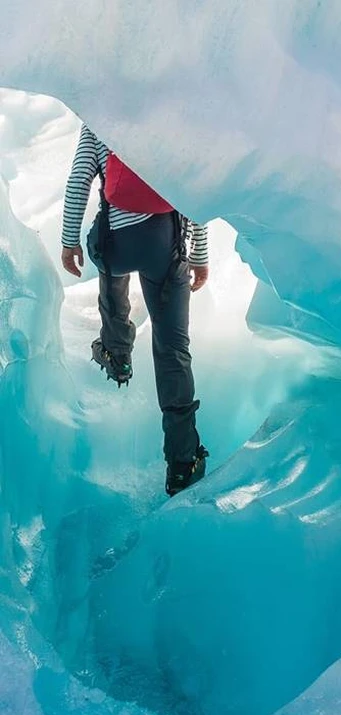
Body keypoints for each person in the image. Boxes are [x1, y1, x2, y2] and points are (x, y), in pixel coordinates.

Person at [60, 124, 210, 496]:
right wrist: (200, 254)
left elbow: (80, 178)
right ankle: (182, 462)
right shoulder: (175, 113)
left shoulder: (99, 115)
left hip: (117, 245)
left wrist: (68, 241)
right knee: (173, 348)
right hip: (166, 245)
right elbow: (198, 189)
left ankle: (116, 351)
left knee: (108, 251)